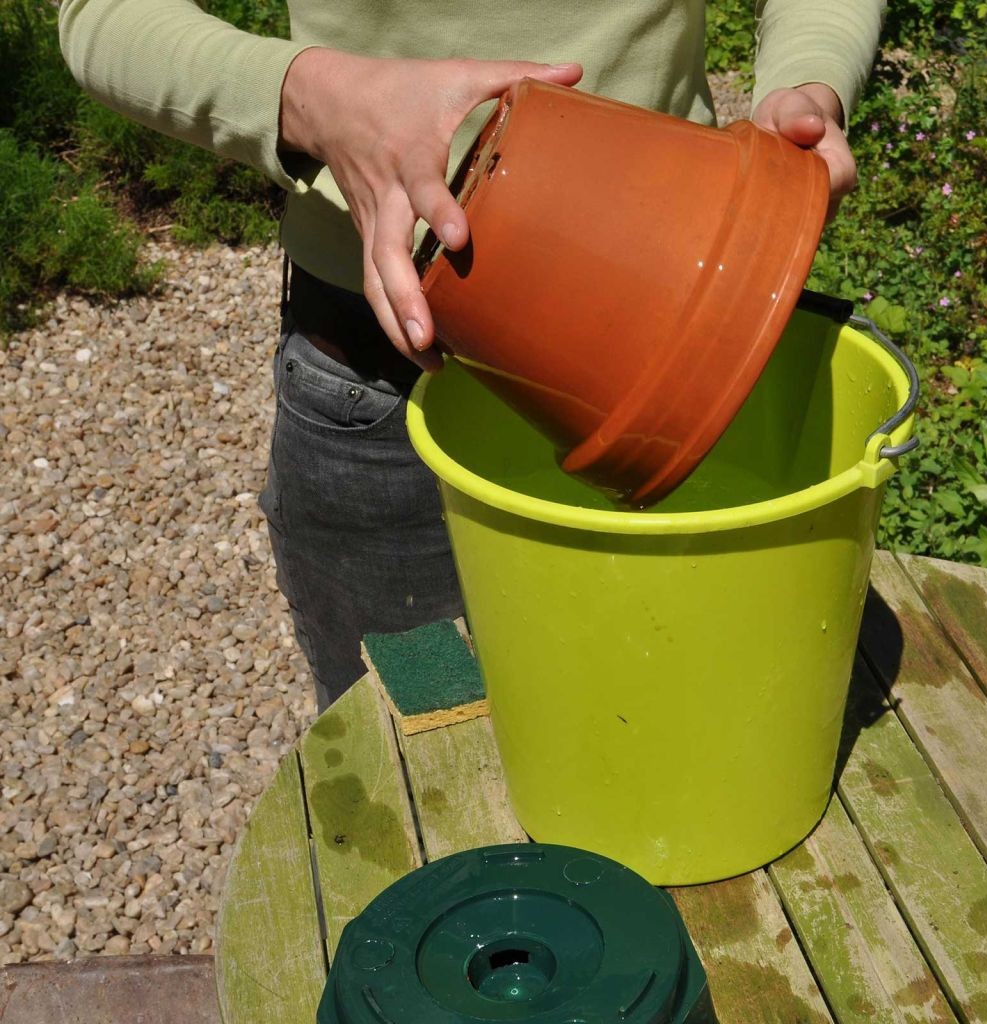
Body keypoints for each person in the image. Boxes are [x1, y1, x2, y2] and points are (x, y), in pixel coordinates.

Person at [59, 0, 884, 710]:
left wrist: (808, 85)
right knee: (424, 752)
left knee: (685, 721)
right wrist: (315, 100)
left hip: (690, 348)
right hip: (380, 394)